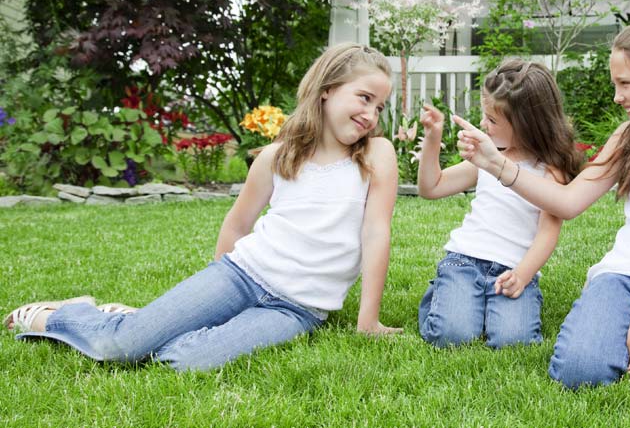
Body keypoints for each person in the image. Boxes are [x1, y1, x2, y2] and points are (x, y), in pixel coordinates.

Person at [4, 43, 402, 371]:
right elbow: (238, 225)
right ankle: (64, 315)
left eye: (380, 107)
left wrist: (368, 320)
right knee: (118, 349)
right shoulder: (277, 157)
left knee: (184, 361)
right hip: (240, 276)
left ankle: (136, 322)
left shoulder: (376, 154)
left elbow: (375, 233)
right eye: (364, 98)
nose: (371, 115)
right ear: (327, 89)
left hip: (295, 309)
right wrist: (214, 297)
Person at [456, 21, 630, 397]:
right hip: (625, 273)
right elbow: (568, 202)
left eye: (625, 84)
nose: (617, 97)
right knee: (578, 370)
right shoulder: (628, 136)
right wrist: (496, 164)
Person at [417, 59, 583, 348]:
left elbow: (547, 234)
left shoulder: (549, 171)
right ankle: (446, 294)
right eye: (485, 116)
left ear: (527, 125)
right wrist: (433, 140)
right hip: (464, 261)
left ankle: (474, 306)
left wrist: (522, 275)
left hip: (513, 269)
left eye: (492, 121)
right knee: (452, 336)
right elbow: (432, 187)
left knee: (513, 341)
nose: (484, 125)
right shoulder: (487, 157)